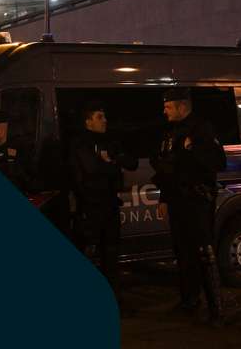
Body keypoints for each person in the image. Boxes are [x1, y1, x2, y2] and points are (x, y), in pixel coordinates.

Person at [151, 88, 227, 326]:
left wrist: (192, 150)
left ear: (182, 106)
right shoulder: (171, 132)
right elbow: (166, 169)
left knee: (205, 253)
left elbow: (218, 162)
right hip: (177, 201)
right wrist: (163, 198)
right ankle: (189, 301)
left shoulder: (202, 129)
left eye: (169, 106)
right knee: (182, 253)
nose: (164, 110)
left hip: (197, 201)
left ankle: (216, 310)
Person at [68, 102, 137, 312]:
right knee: (90, 253)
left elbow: (131, 163)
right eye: (100, 117)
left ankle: (115, 299)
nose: (104, 120)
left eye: (104, 116)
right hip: (91, 207)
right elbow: (91, 169)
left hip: (109, 205)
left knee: (112, 255)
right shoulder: (80, 143)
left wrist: (110, 161)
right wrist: (111, 164)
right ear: (88, 121)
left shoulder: (109, 141)